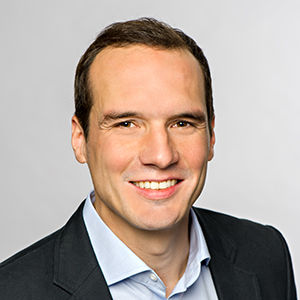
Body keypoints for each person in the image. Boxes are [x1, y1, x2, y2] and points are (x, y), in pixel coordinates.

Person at [0, 18, 297, 299]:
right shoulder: (13, 291)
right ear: (80, 139)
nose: (161, 155)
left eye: (182, 123)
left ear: (211, 136)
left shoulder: (265, 255)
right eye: (126, 124)